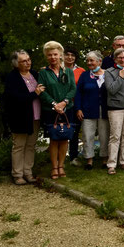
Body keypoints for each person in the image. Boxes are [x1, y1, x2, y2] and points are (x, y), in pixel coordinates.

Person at [4, 50, 44, 184]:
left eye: (29, 60)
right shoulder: (12, 77)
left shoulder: (34, 74)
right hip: (20, 117)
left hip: (36, 115)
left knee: (31, 145)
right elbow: (15, 98)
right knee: (19, 146)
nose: (28, 63)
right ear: (16, 64)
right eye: (23, 61)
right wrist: (35, 93)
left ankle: (28, 172)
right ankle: (17, 174)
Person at [38, 41, 77, 180]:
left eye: (55, 54)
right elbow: (42, 92)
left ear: (60, 55)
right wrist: (55, 104)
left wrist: (64, 103)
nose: (53, 57)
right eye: (50, 55)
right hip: (51, 110)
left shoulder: (68, 71)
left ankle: (62, 165)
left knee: (65, 138)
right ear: (46, 57)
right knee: (54, 139)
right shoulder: (43, 73)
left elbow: (73, 89)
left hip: (68, 109)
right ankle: (54, 167)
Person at [74, 51, 109, 170]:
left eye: (92, 60)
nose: (89, 63)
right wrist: (78, 108)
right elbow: (78, 93)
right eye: (88, 60)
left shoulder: (108, 74)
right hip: (87, 110)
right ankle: (89, 160)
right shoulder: (84, 75)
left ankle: (105, 159)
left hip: (105, 110)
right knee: (87, 135)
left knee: (104, 136)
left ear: (99, 61)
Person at [64, 46, 85, 167]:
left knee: (74, 131)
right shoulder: (57, 69)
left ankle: (73, 157)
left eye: (73, 55)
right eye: (67, 54)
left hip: (75, 104)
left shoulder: (81, 71)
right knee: (59, 129)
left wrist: (79, 107)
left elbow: (82, 90)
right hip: (60, 105)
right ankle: (58, 158)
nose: (70, 57)